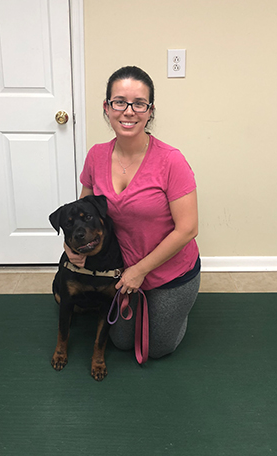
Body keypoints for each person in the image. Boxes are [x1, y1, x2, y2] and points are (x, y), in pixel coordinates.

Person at [67, 66, 200, 359]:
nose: (129, 111)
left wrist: (140, 271)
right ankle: (149, 309)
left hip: (169, 271)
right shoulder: (96, 156)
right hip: (121, 271)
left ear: (150, 111)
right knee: (123, 342)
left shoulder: (171, 160)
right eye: (119, 102)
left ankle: (180, 308)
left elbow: (188, 229)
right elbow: (83, 211)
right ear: (107, 107)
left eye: (139, 103)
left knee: (157, 348)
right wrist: (71, 246)